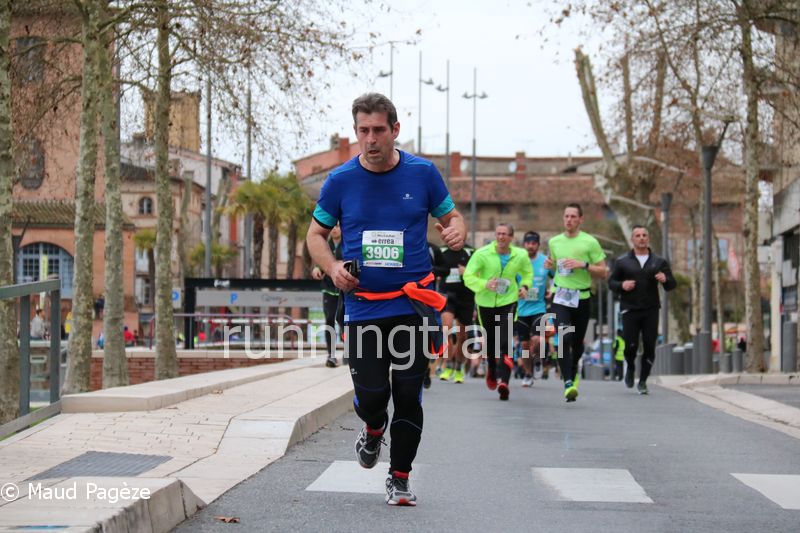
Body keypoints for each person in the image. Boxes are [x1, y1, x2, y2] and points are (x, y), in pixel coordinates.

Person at [306, 93, 465, 506]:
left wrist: (457, 231)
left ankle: (400, 476)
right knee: (373, 396)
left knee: (409, 393)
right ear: (355, 132)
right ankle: (373, 428)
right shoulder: (340, 181)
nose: (371, 139)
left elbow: (452, 216)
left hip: (413, 305)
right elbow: (315, 235)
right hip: (363, 306)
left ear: (395, 130)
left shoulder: (422, 174)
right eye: (363, 131)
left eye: (379, 130)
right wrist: (332, 267)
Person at [545, 203, 607, 402]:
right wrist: (549, 265)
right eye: (566, 216)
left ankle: (573, 370)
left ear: (581, 219)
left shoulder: (590, 242)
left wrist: (584, 265)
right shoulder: (554, 242)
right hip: (560, 296)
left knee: (577, 343)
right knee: (563, 338)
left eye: (573, 216)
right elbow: (552, 265)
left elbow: (603, 272)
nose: (569, 220)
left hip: (582, 297)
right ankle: (568, 382)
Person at [463, 223, 533, 401]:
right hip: (485, 303)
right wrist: (484, 284)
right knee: (492, 344)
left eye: (504, 234)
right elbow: (468, 276)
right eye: (498, 234)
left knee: (504, 341)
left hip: (508, 301)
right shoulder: (482, 253)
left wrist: (525, 286)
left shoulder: (520, 255)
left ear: (511, 237)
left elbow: (527, 274)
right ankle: (492, 369)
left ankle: (505, 383)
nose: (501, 237)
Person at [609, 225, 676, 394]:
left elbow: (671, 285)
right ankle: (631, 367)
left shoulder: (659, 262)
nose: (641, 238)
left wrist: (665, 279)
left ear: (648, 238)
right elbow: (611, 283)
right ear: (632, 239)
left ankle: (643, 381)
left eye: (644, 235)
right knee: (630, 346)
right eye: (638, 235)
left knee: (649, 346)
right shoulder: (622, 262)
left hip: (651, 309)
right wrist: (622, 285)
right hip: (629, 309)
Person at [432, 241, 475, 384]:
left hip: (466, 297)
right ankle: (448, 365)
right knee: (447, 329)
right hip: (446, 295)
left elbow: (480, 273)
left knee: (462, 336)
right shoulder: (441, 250)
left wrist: (467, 272)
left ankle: (459, 367)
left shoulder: (472, 252)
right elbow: (433, 268)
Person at [515, 231, 550, 387]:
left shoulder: (544, 261)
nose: (530, 246)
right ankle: (528, 374)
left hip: (539, 308)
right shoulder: (518, 262)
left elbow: (557, 277)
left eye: (533, 243)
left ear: (538, 245)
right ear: (524, 244)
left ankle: (537, 360)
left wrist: (553, 290)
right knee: (524, 346)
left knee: (536, 340)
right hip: (521, 309)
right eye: (528, 243)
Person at [311, 224, 344, 368]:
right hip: (328, 290)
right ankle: (331, 356)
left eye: (338, 226)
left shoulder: (347, 245)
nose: (335, 229)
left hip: (344, 290)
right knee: (329, 320)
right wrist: (316, 269)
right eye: (333, 226)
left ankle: (348, 352)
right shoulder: (324, 245)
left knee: (344, 321)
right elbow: (318, 263)